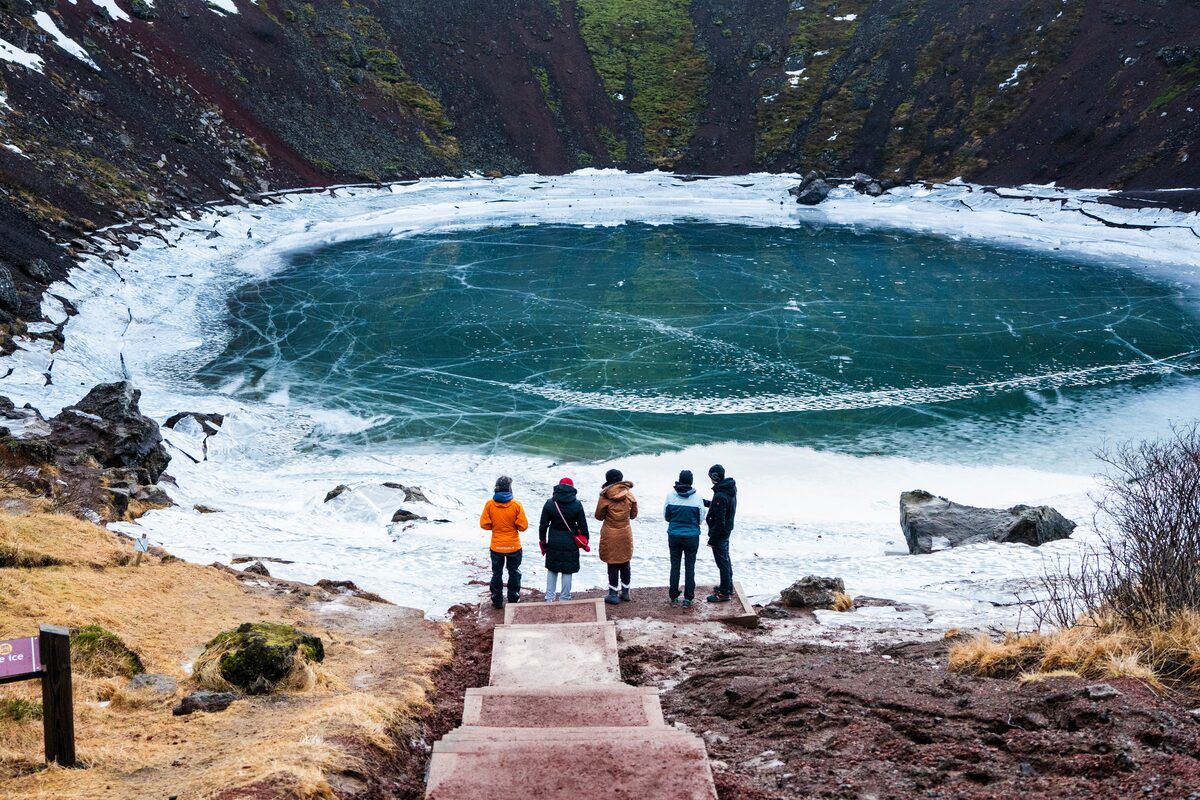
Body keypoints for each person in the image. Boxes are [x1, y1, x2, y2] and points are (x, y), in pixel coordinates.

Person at [479, 475, 529, 610]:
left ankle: (497, 600)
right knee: (514, 572)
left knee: (497, 573)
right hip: (513, 546)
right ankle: (513, 597)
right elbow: (523, 527)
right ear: (509, 488)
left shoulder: (490, 504)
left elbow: (484, 524)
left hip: (496, 546)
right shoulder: (516, 504)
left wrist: (495, 528)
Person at [539, 477, 589, 602]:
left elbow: (543, 525)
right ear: (572, 488)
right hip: (570, 541)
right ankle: (565, 598)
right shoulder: (577, 504)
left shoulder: (550, 503)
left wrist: (543, 541)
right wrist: (585, 539)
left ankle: (549, 598)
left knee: (552, 569)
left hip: (554, 540)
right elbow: (583, 525)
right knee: (567, 570)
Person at [595, 468, 638, 605]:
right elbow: (633, 515)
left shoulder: (605, 497)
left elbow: (598, 516)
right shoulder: (630, 496)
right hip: (625, 532)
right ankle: (625, 592)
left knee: (612, 562)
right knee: (625, 561)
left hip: (610, 532)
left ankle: (613, 594)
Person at [664, 469, 703, 608]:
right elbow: (700, 519)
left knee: (675, 565)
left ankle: (674, 596)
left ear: (679, 480)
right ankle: (688, 598)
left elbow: (666, 516)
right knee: (690, 566)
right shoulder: (697, 497)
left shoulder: (670, 495)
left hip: (674, 535)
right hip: (692, 536)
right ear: (691, 482)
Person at [704, 464, 738, 603]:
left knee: (722, 562)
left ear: (714, 477)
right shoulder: (730, 489)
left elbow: (719, 521)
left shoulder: (720, 495)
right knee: (725, 559)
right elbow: (720, 506)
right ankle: (728, 586)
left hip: (720, 534)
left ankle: (724, 593)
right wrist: (702, 502)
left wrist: (712, 540)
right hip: (727, 531)